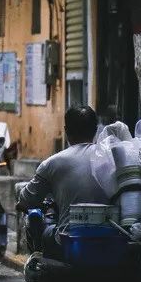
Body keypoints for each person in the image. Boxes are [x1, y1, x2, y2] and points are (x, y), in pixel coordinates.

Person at [17, 105, 111, 257]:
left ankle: (40, 273)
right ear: (95, 131)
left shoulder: (52, 163)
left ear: (66, 131)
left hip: (69, 241)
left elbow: (26, 199)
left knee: (46, 232)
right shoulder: (111, 158)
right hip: (111, 239)